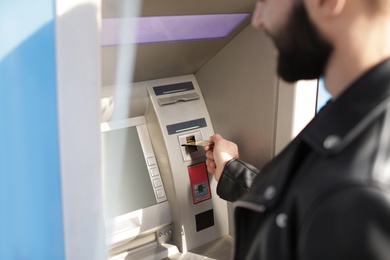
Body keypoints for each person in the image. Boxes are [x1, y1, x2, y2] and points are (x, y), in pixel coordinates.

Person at [204, 0, 390, 259]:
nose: (257, 20)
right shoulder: (358, 120)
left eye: (267, 1)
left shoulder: (361, 191)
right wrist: (232, 171)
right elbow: (313, 209)